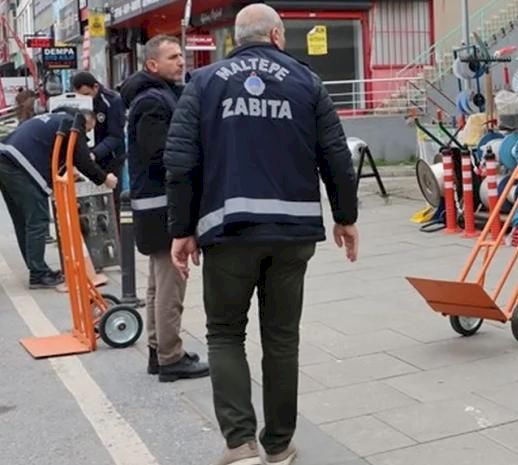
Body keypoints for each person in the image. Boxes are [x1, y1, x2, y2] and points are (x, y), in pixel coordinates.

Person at [164, 4, 359, 465]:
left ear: (236, 39)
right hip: (293, 232)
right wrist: (345, 217)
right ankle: (278, 446)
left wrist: (181, 229)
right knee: (282, 337)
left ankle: (240, 444)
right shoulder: (307, 82)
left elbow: (180, 160)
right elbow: (335, 154)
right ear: (276, 36)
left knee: (226, 332)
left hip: (228, 229)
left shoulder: (205, 83)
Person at [121, 35, 209, 382]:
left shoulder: (156, 97)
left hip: (155, 204)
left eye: (181, 55)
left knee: (160, 281)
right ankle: (170, 357)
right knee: (172, 282)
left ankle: (160, 351)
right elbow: (160, 154)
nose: (181, 61)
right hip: (162, 204)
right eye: (173, 57)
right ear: (152, 65)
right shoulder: (152, 103)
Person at [0, 109, 118, 288]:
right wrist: (104, 179)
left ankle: (37, 268)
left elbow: (56, 151)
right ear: (87, 121)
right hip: (21, 166)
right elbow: (83, 160)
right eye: (87, 130)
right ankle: (38, 274)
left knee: (22, 219)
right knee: (37, 218)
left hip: (6, 158)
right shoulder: (74, 123)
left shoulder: (56, 118)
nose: (85, 135)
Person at [71, 71, 127, 215]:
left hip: (110, 158)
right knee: (86, 204)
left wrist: (95, 153)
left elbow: (116, 136)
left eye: (86, 94)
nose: (83, 99)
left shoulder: (112, 101)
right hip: (84, 157)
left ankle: (115, 236)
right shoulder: (75, 103)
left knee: (111, 205)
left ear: (95, 87)